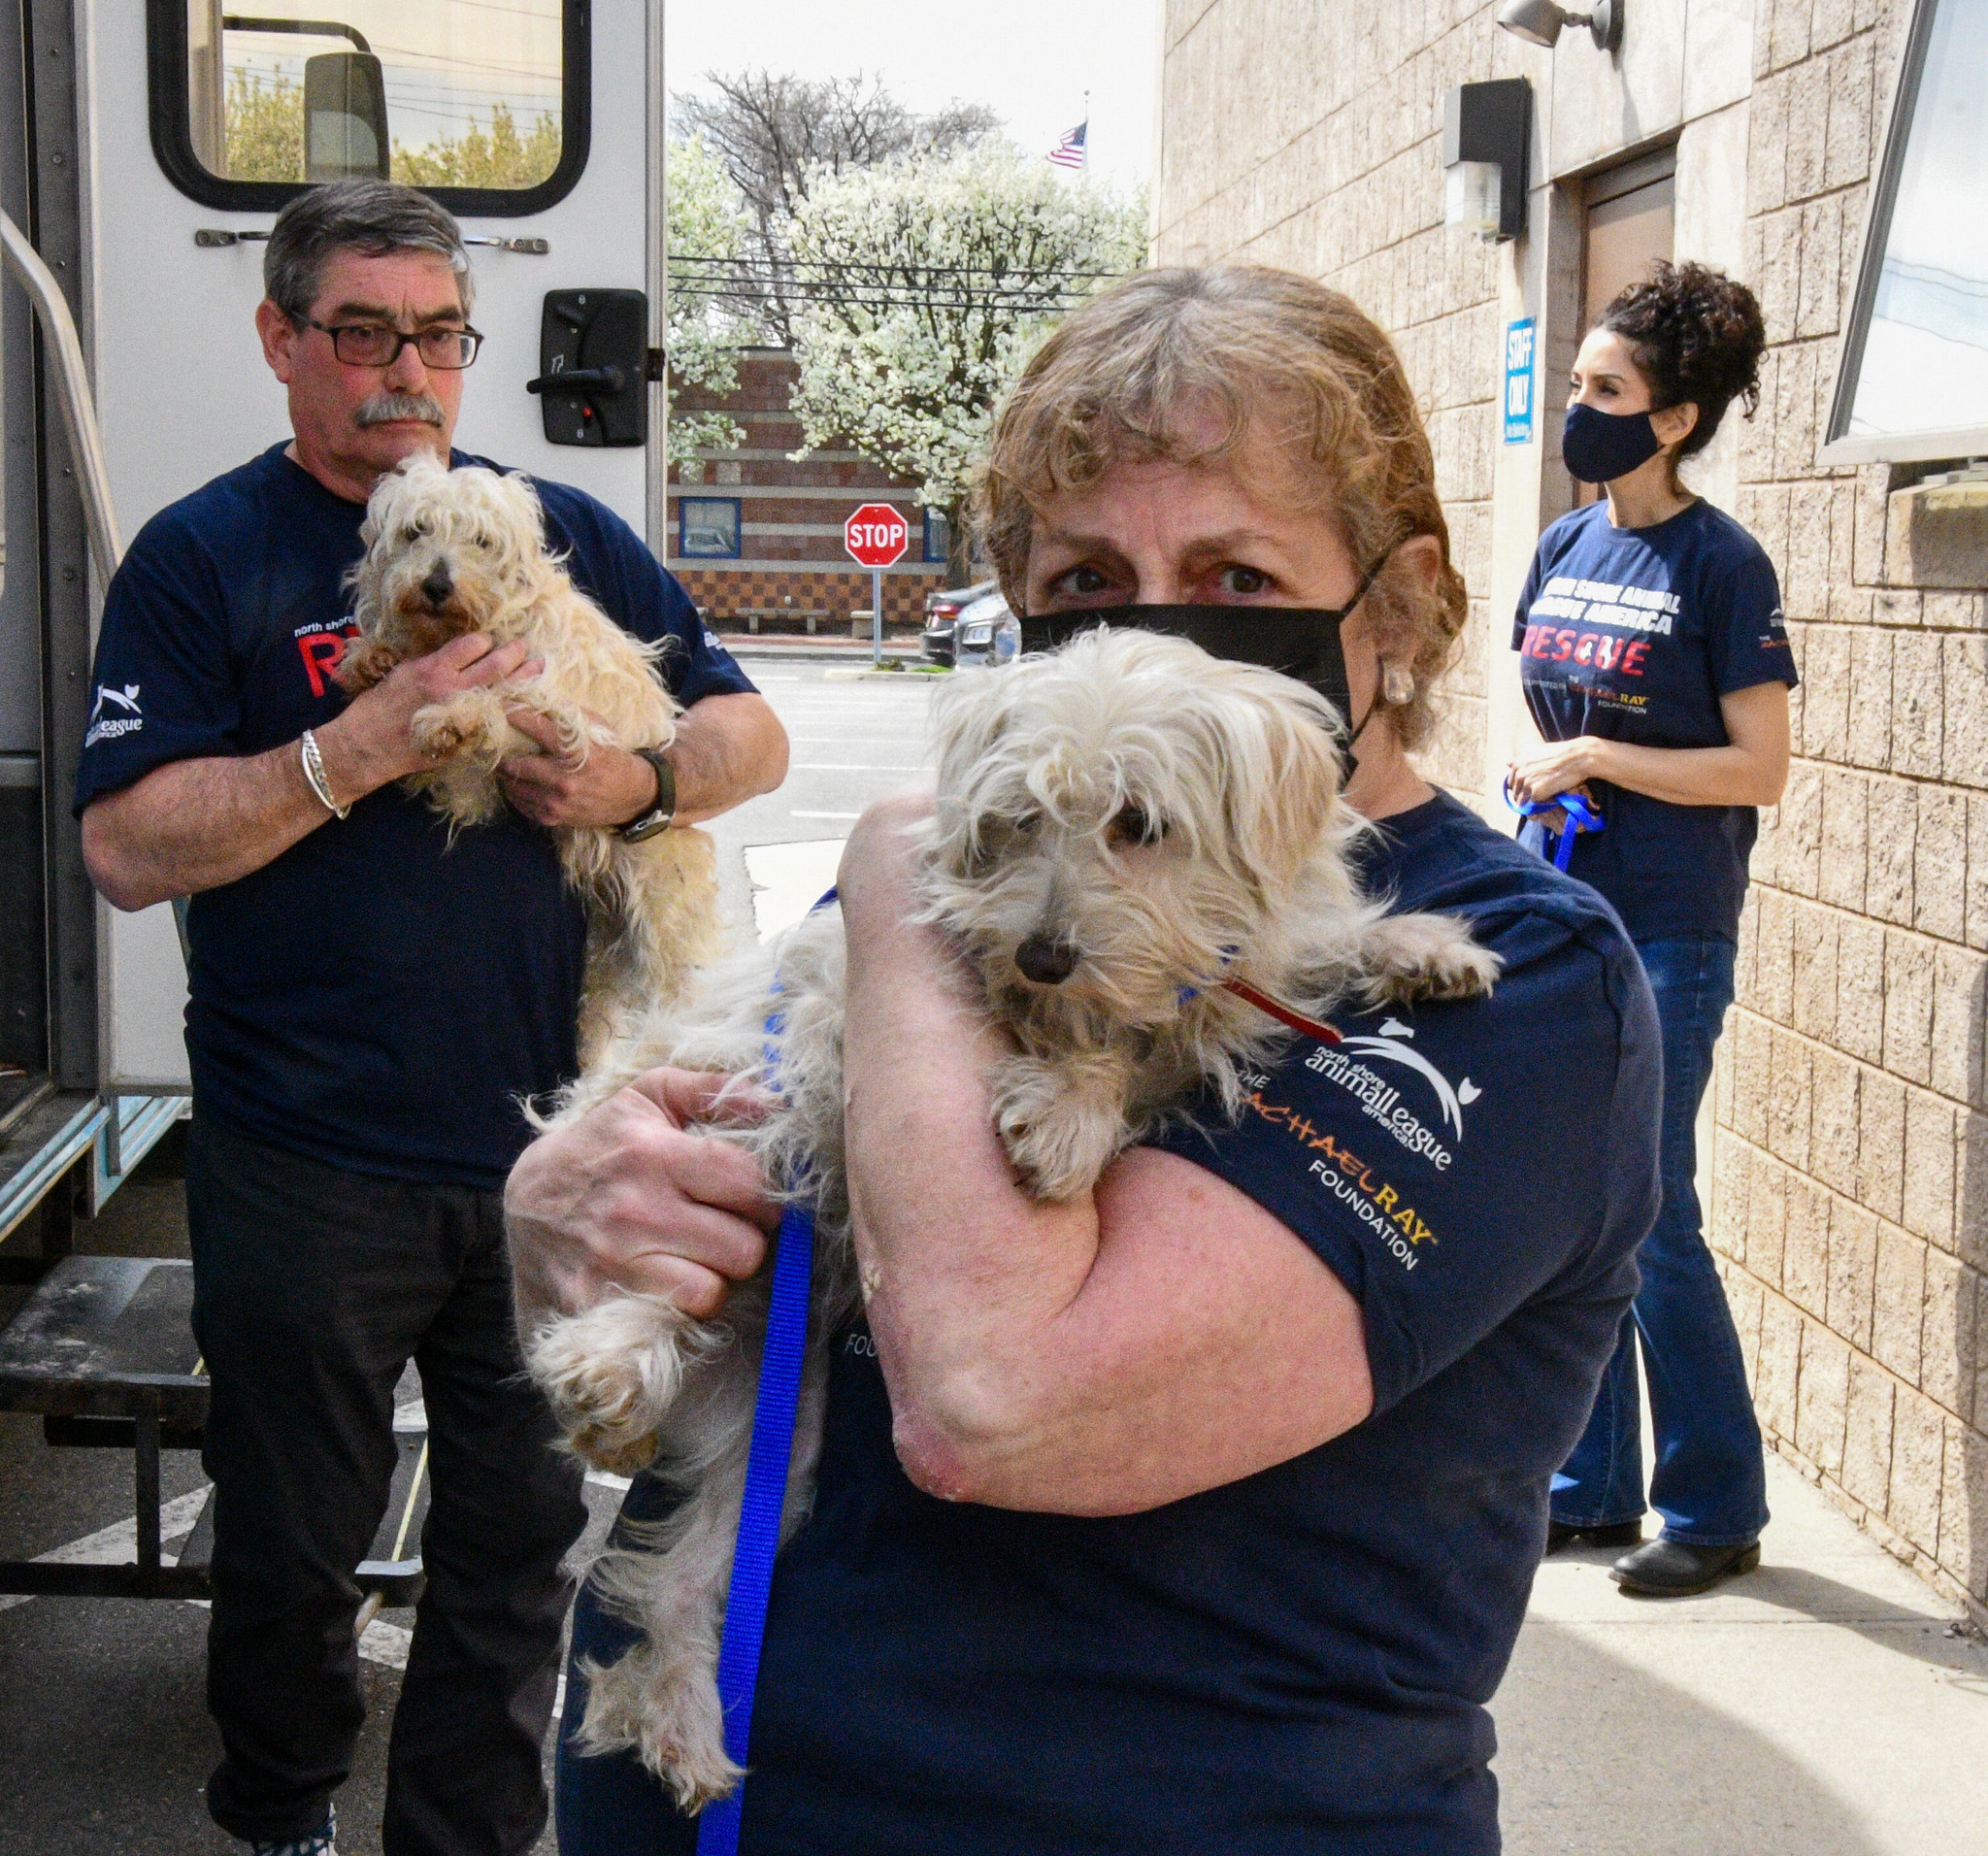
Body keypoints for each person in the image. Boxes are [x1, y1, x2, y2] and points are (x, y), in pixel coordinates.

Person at [506, 265, 1662, 1854]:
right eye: (1087, 572)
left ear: (1389, 610)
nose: (1152, 628)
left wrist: (902, 857)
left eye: (1240, 576)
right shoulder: (997, 865)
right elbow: (734, 1168)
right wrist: (565, 1205)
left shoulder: (1523, 985)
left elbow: (996, 1400)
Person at [75, 180, 787, 1856]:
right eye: (363, 332)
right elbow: (121, 846)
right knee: (289, 1548)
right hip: (305, 1157)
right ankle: (277, 1816)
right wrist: (365, 740)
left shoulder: (560, 534)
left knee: (514, 1555)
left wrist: (641, 777)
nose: (408, 371)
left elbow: (747, 739)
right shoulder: (202, 558)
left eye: (439, 336)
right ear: (281, 340)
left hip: (546, 1155)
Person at [1507, 260, 1796, 1596]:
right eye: (1576, 385)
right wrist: (1549, 768)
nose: (1581, 408)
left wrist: (1604, 764)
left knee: (1657, 1211)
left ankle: (1717, 1504)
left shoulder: (1722, 562)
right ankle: (1595, 1486)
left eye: (1607, 390)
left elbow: (1758, 768)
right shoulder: (1569, 542)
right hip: (1564, 910)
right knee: (1580, 1201)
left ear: (1675, 418)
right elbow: (1557, 706)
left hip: (1671, 927)